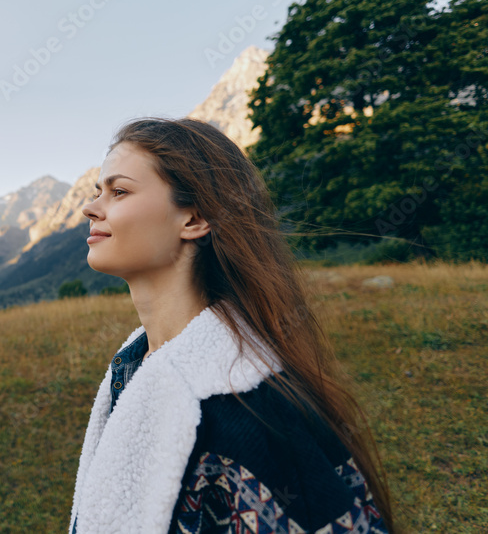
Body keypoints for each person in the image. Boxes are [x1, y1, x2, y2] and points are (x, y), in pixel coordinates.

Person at [69, 117, 395, 533]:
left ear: (193, 220)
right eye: (98, 191)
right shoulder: (130, 369)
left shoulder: (256, 412)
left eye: (119, 191)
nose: (90, 207)